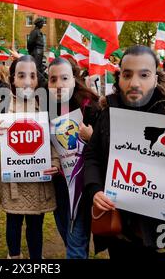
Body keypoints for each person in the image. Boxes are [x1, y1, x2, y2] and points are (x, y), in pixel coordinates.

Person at [84, 45, 165, 260]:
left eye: (144, 75)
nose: (134, 83)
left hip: (162, 226)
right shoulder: (108, 113)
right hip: (119, 225)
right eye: (127, 74)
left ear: (156, 78)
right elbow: (92, 156)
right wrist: (95, 189)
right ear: (119, 78)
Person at [0, 55, 57, 259]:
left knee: (36, 223)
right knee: (13, 221)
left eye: (32, 76)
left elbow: (53, 141)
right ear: (13, 78)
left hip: (38, 179)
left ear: (37, 79)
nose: (27, 81)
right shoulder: (3, 106)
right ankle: (14, 256)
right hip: (13, 181)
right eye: (22, 75)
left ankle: (36, 258)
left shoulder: (46, 106)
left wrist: (55, 162)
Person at [47, 57, 100, 259]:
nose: (59, 84)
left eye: (64, 78)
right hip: (59, 184)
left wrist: (91, 137)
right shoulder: (45, 107)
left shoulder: (92, 108)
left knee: (76, 240)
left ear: (74, 80)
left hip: (82, 187)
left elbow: (108, 146)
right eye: (53, 79)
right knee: (69, 236)